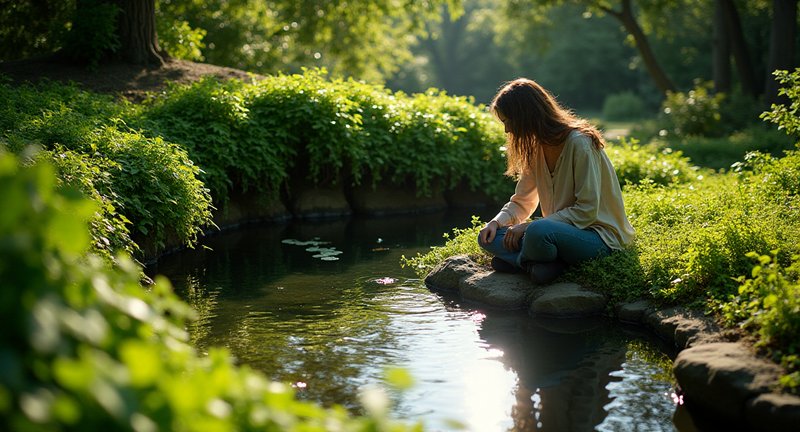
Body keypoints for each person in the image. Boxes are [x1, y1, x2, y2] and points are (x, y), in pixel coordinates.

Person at [477, 78, 635, 284]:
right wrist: (496, 222)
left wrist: (526, 228)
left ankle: (524, 262)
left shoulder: (580, 144)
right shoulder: (535, 148)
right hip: (555, 233)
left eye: (508, 121)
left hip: (598, 237)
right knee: (487, 237)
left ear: (525, 116)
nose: (507, 130)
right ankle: (539, 264)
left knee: (536, 231)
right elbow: (521, 202)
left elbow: (586, 210)